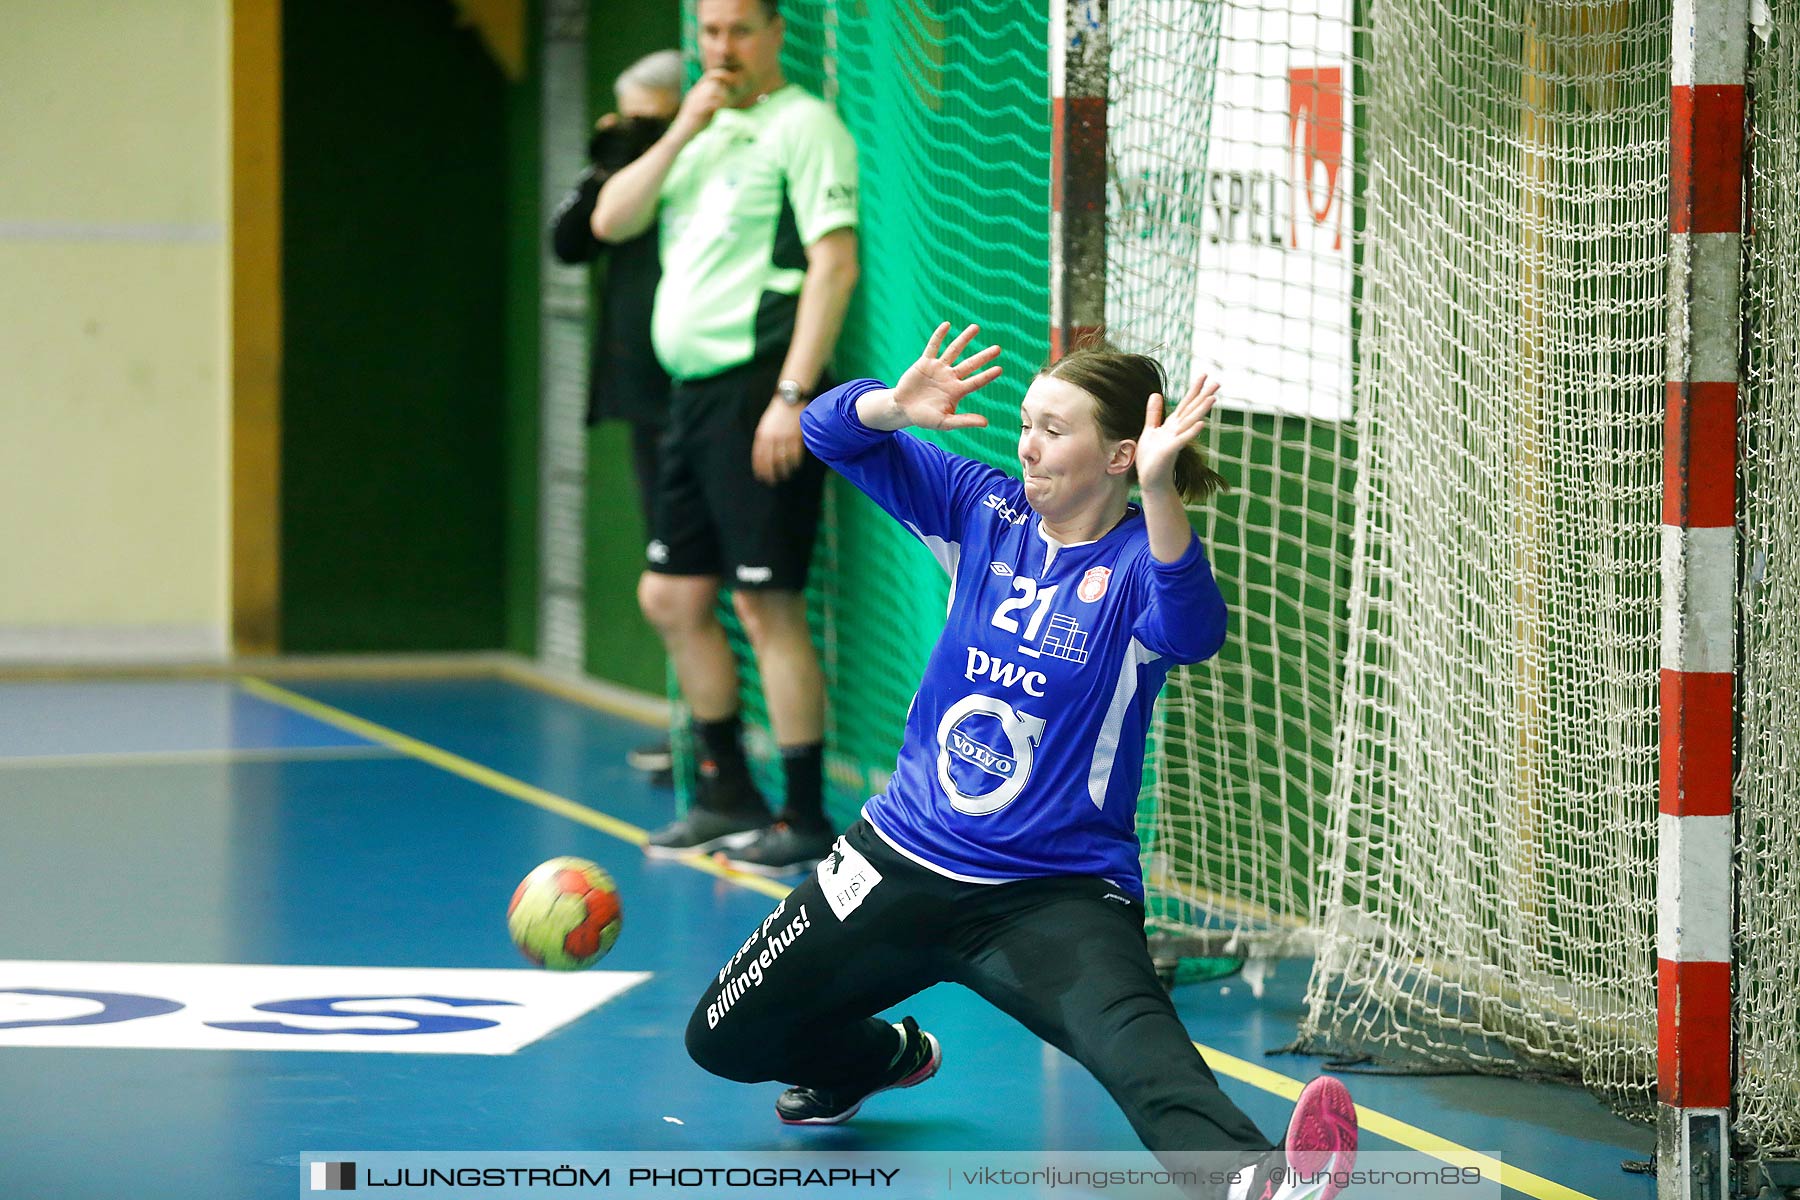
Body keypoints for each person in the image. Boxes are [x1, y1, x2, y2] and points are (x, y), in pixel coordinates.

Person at [682, 324, 1361, 1200]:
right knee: (722, 1037)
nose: (1027, 445)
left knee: (1135, 1045)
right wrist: (895, 405)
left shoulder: (1138, 568)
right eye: (1027, 422)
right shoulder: (984, 509)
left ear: (1120, 455)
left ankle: (1262, 1181)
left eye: (1054, 428)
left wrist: (1161, 495)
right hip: (899, 858)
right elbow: (826, 431)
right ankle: (877, 1058)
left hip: (1053, 893)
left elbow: (1195, 632)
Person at [591, 0, 859, 876]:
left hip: (759, 390)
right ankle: (724, 794)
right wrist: (681, 129)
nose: (723, 47)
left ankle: (805, 814)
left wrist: (793, 394)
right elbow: (608, 221)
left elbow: (834, 260)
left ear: (776, 33)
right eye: (709, 33)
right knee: (671, 598)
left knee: (763, 604)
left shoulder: (804, 126)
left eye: (740, 30)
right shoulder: (696, 132)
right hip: (688, 397)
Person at [548, 49, 684, 787]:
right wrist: (611, 154)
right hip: (641, 392)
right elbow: (570, 240)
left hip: (693, 389)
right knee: (670, 571)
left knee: (702, 577)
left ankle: (715, 733)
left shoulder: (698, 162)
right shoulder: (623, 173)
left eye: (641, 115)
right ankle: (689, 722)